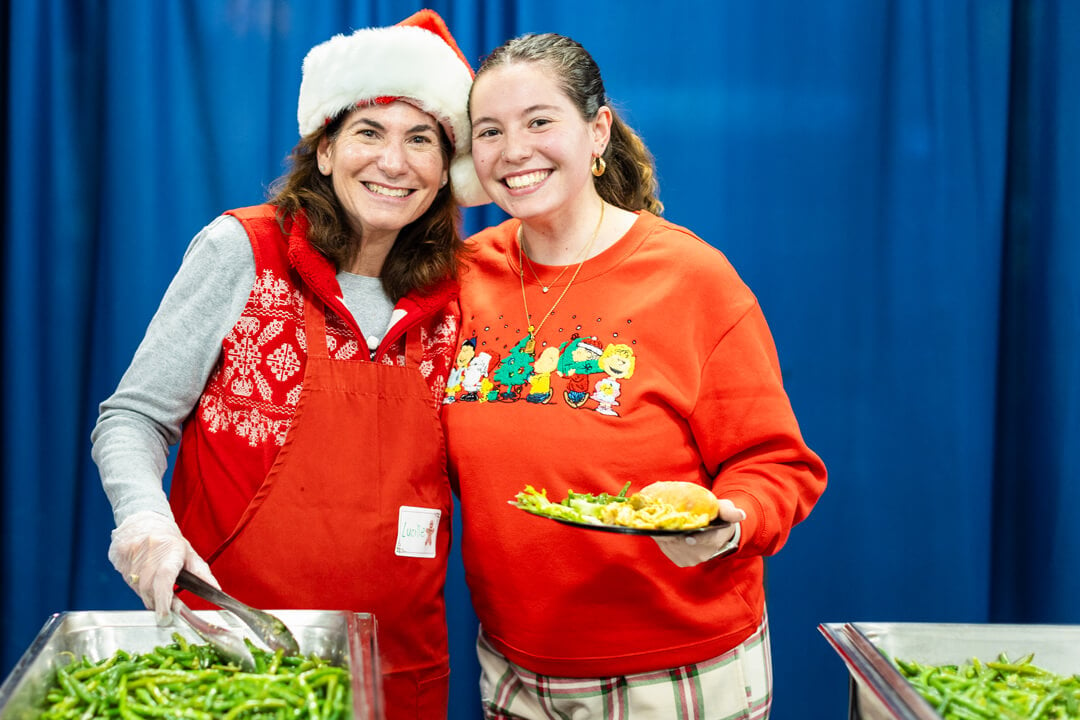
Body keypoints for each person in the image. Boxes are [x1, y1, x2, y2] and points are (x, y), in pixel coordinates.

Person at [91, 10, 488, 718]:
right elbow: (134, 418)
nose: (393, 163)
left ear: (445, 171)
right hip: (230, 660)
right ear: (325, 151)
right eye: (369, 132)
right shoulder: (243, 251)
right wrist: (147, 520)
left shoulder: (465, 297)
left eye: (420, 140)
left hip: (398, 672)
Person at [442, 33, 828, 719]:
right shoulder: (464, 273)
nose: (513, 151)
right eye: (489, 132)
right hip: (511, 665)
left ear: (597, 132)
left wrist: (731, 521)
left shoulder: (691, 279)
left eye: (539, 121)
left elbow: (777, 464)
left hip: (673, 672)